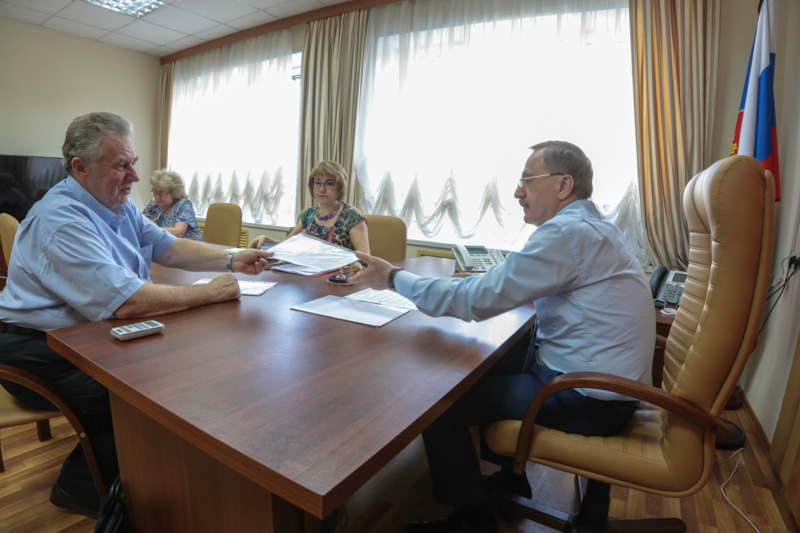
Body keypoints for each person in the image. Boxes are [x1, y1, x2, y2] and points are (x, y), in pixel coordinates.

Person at [349, 141, 655, 533]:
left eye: (527, 180)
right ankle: (512, 479)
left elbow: (474, 302)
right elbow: (523, 284)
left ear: (563, 185)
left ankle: (472, 520)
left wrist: (392, 277)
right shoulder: (595, 227)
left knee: (439, 404)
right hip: (608, 387)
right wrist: (488, 282)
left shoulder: (566, 233)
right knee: (499, 360)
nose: (517, 192)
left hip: (587, 397)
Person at [0, 112, 273, 518]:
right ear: (80, 167)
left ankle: (152, 475)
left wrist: (232, 258)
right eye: (121, 166)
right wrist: (209, 293)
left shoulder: (115, 203)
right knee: (151, 388)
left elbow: (169, 247)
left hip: (84, 333)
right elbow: (126, 302)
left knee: (176, 365)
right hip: (37, 350)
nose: (135, 176)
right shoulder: (60, 220)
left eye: (134, 162)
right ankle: (83, 486)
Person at [249, 161, 370, 252]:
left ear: (340, 187)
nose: (322, 189)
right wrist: (267, 241)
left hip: (339, 276)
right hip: (306, 275)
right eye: (317, 183)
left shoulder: (352, 216)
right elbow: (286, 247)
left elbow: (365, 261)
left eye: (329, 184)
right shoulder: (308, 215)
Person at [142, 168, 204, 241]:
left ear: (174, 193)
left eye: (162, 192)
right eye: (155, 192)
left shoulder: (184, 205)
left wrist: (149, 229)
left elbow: (178, 233)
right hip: (167, 245)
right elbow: (139, 222)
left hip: (192, 246)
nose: (158, 196)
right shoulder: (153, 204)